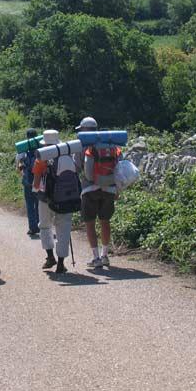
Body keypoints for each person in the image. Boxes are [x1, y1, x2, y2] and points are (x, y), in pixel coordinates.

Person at [75, 116, 121, 268]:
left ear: (84, 129)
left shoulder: (82, 145)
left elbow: (76, 167)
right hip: (109, 187)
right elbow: (120, 167)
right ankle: (105, 255)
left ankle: (96, 258)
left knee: (90, 223)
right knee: (105, 221)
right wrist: (117, 188)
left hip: (89, 188)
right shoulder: (111, 144)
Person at [33, 129, 77, 274]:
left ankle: (50, 257)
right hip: (66, 198)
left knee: (45, 226)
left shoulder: (41, 158)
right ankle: (61, 264)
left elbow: (36, 183)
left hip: (46, 199)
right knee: (63, 228)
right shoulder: (68, 155)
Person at [17, 127, 40, 238]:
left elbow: (19, 165)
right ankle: (40, 225)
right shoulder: (41, 147)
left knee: (30, 205)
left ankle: (32, 228)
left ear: (27, 137)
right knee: (39, 204)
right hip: (40, 181)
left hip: (27, 182)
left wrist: (23, 175)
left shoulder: (23, 148)